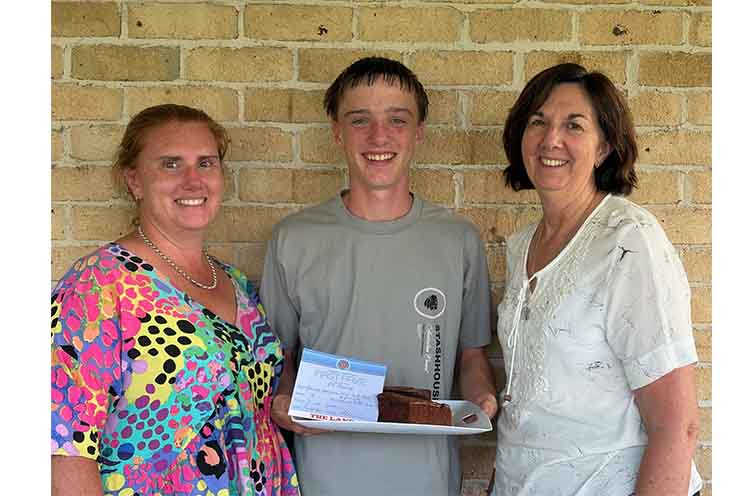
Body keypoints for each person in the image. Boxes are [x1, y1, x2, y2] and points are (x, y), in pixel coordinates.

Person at [260, 56, 498, 496]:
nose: (378, 136)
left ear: (419, 132)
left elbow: (471, 355)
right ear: (336, 131)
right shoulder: (294, 239)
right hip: (321, 477)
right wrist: (281, 401)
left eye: (397, 120)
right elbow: (280, 357)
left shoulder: (458, 239)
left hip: (427, 478)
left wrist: (482, 399)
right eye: (359, 120)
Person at [51, 104, 300, 496]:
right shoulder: (97, 286)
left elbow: (257, 393)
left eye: (206, 163)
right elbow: (64, 445)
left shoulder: (237, 285)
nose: (193, 180)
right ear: (133, 180)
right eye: (170, 164)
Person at [491, 63, 702, 495]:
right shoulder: (520, 246)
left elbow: (676, 425)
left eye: (574, 125)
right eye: (538, 122)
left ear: (604, 147)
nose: (552, 139)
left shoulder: (628, 241)